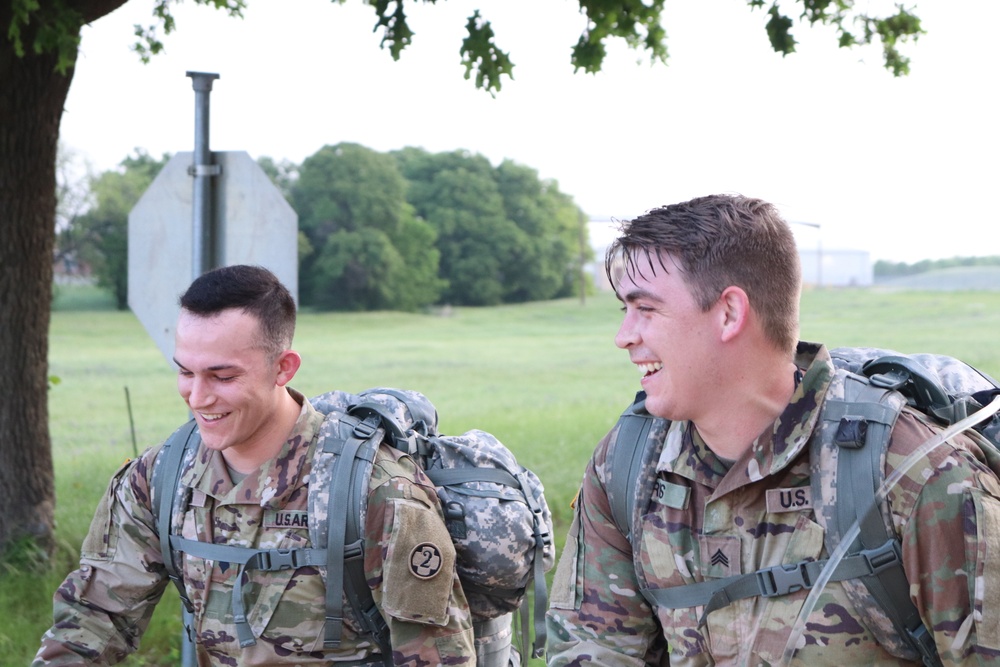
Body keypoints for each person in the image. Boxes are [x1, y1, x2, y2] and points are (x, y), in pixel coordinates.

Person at [545, 194, 1000, 665]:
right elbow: (592, 647)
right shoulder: (627, 464)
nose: (624, 336)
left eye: (646, 309)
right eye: (624, 310)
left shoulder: (911, 471)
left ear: (729, 313)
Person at [34, 264, 475, 666]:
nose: (198, 397)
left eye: (223, 377)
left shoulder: (374, 490)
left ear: (283, 368)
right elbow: (92, 621)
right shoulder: (160, 478)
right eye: (186, 372)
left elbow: (438, 657)